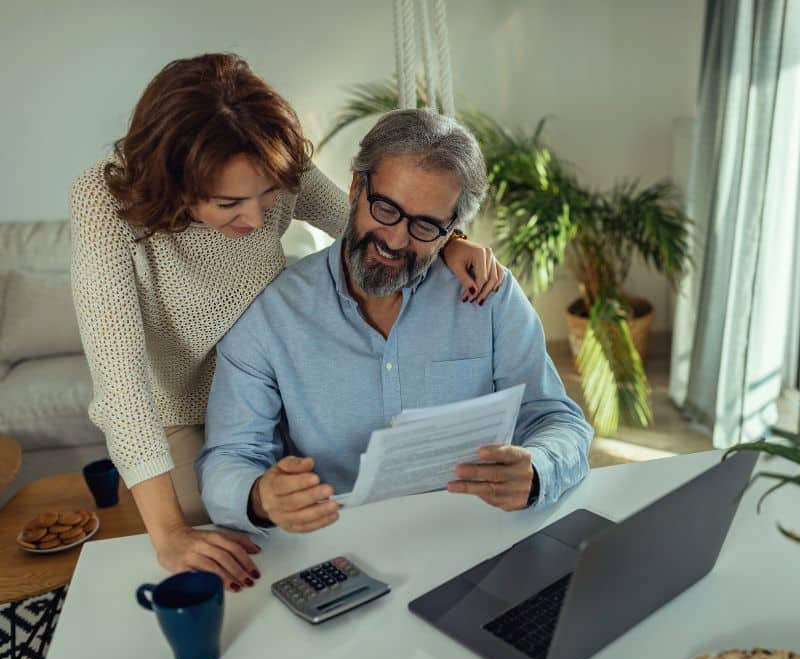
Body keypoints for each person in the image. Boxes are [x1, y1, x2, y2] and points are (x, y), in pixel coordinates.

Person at [69, 54, 504, 592]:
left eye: (268, 195)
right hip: (180, 410)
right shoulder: (105, 202)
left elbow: (370, 223)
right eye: (228, 202)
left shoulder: (271, 160)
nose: (256, 221)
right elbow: (120, 385)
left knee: (311, 540)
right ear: (175, 180)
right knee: (222, 566)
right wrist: (170, 534)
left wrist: (450, 243)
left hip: (272, 382)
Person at [196, 108, 593, 535]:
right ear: (355, 188)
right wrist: (259, 496)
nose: (396, 240)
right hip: (337, 543)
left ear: (452, 229)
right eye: (386, 209)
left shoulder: (489, 296)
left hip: (475, 533)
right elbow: (228, 458)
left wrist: (537, 469)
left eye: (425, 226)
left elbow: (558, 419)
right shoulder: (271, 316)